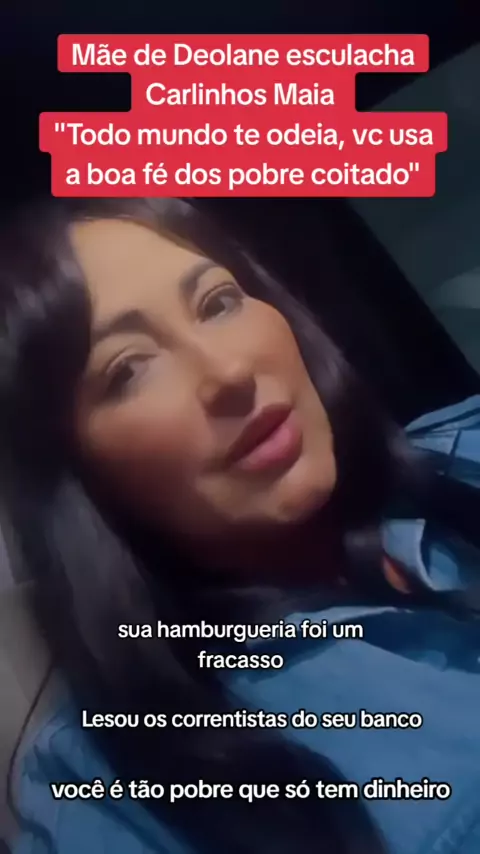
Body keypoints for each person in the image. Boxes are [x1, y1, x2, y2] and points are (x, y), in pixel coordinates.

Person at [2, 197, 480, 854]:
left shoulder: (463, 448)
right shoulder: (107, 789)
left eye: (218, 302)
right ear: (75, 475)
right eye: (129, 368)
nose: (228, 372)